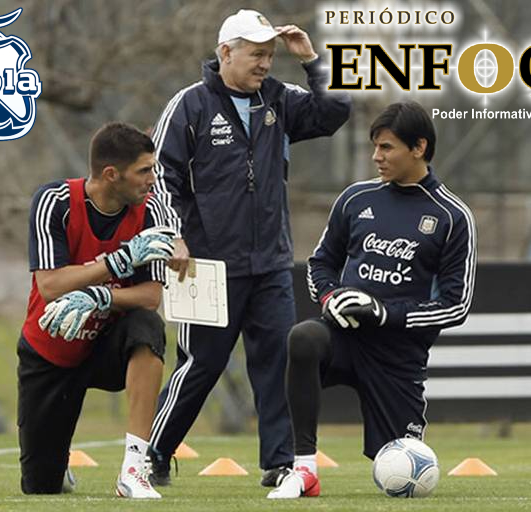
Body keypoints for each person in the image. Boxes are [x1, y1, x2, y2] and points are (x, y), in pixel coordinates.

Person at [147, 8, 352, 487]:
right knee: (201, 365)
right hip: (206, 266)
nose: (265, 64)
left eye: (270, 55)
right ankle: (153, 453)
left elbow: (334, 112)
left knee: (278, 363)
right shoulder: (190, 105)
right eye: (256, 54)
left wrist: (312, 61)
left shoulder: (279, 98)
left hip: (271, 264)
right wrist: (172, 234)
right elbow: (159, 175)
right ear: (226, 52)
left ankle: (279, 463)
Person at [268, 101, 477, 499]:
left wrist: (384, 313)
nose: (376, 157)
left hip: (398, 359)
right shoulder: (355, 199)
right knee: (304, 338)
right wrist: (329, 297)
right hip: (344, 338)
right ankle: (304, 469)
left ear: (419, 147)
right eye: (375, 147)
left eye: (386, 147)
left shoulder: (452, 216)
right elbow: (320, 263)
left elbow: (456, 305)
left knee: (405, 478)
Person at [17, 122, 177, 499]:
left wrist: (101, 298)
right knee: (41, 485)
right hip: (52, 349)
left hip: (108, 343)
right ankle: (55, 462)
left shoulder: (151, 211)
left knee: (147, 327)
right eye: (144, 170)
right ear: (111, 174)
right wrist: (116, 263)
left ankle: (134, 469)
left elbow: (150, 296)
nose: (152, 179)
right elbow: (50, 285)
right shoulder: (54, 201)